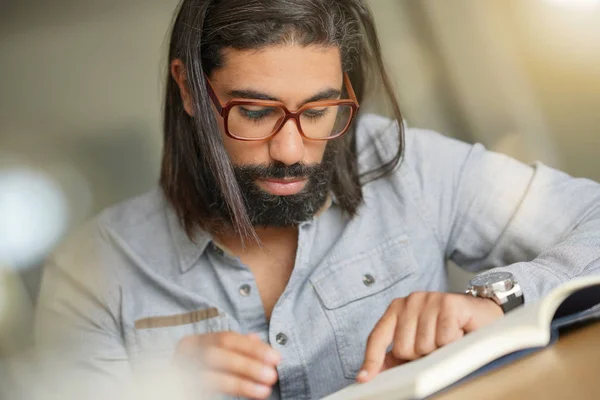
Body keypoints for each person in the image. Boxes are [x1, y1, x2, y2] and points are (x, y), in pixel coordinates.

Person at [35, 0, 600, 399]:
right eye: (253, 112)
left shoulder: (408, 166)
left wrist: (496, 300)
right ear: (188, 88)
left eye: (318, 111)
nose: (290, 149)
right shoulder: (94, 271)